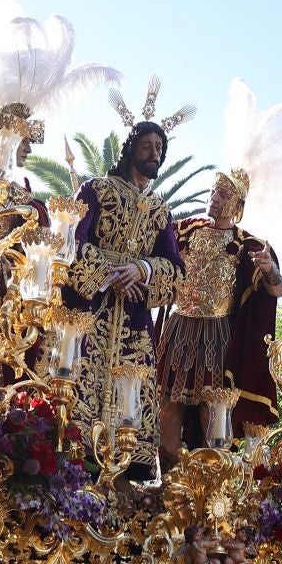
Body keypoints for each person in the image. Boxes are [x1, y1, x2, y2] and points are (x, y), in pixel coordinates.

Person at [62, 117, 186, 478]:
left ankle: (125, 482)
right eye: (147, 146)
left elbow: (176, 269)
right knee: (80, 384)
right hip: (92, 310)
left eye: (160, 148)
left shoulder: (161, 213)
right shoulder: (96, 190)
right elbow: (74, 240)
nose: (154, 154)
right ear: (131, 148)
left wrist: (143, 270)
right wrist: (111, 275)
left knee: (130, 399)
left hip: (134, 319)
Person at [155, 166, 282, 461]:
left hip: (218, 331)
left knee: (212, 406)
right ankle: (166, 480)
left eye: (224, 193)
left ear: (238, 206)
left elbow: (276, 291)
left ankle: (213, 475)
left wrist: (270, 270)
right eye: (214, 190)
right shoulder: (185, 230)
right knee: (168, 402)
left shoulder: (248, 245)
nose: (214, 197)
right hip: (178, 326)